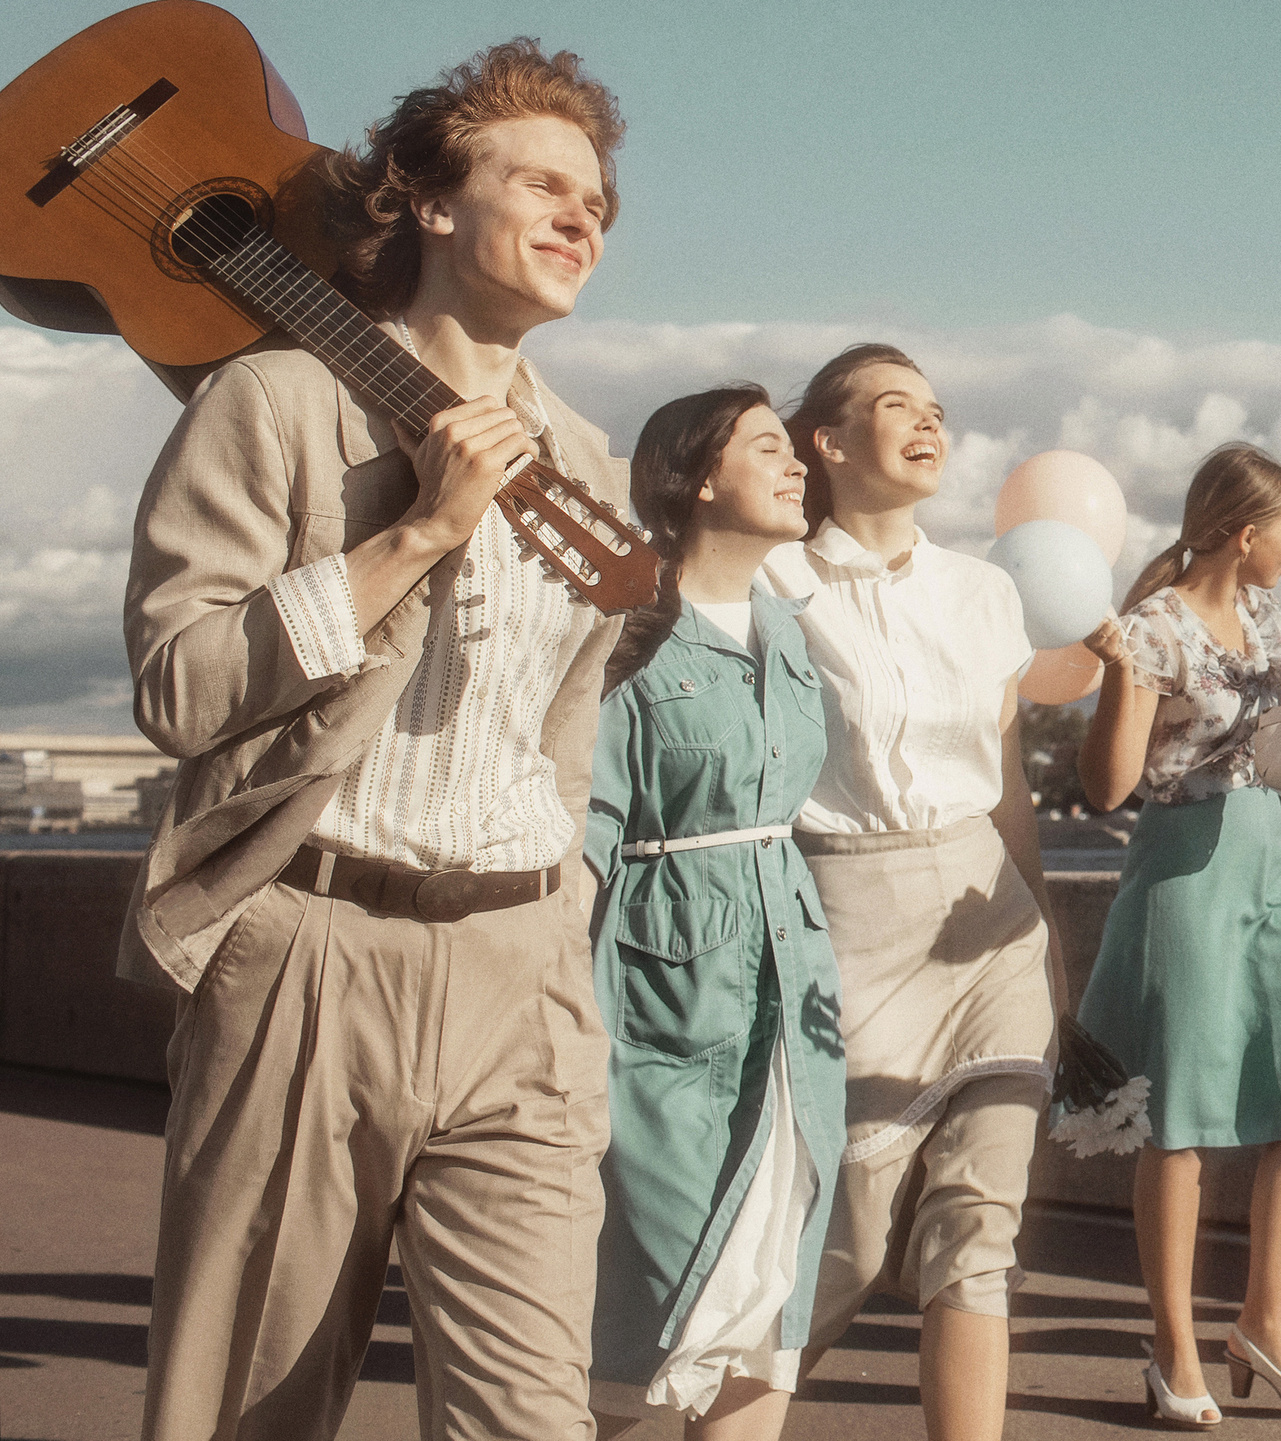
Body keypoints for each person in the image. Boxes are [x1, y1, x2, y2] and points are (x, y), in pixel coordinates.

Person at [121, 40, 630, 1439]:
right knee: (248, 1407)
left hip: (524, 968)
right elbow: (177, 685)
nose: (582, 215)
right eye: (542, 183)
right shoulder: (275, 402)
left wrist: (565, 918)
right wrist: (412, 537)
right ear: (429, 202)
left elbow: (561, 733)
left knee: (532, 1417)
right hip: (314, 951)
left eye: (597, 200)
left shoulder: (589, 464)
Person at [760, 344, 1065, 1441]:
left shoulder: (985, 592)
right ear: (830, 443)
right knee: (843, 1233)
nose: (930, 423)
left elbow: (1008, 780)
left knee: (980, 1228)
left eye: (937, 408)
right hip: (846, 913)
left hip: (989, 919)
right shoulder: (770, 582)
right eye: (898, 406)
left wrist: (1048, 935)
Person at [1076, 443, 1281, 1428]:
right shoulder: (1151, 626)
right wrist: (1119, 676)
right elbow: (1108, 787)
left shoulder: (1264, 615)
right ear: (1245, 533)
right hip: (1185, 864)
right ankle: (1173, 1348)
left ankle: (1264, 1325)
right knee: (1182, 1118)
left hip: (1267, 851)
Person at [583, 387, 845, 1437]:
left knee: (772, 1283)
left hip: (791, 990)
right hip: (659, 991)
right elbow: (588, 829)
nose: (797, 466)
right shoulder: (631, 628)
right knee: (652, 1296)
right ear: (696, 477)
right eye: (768, 448)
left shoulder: (789, 630)